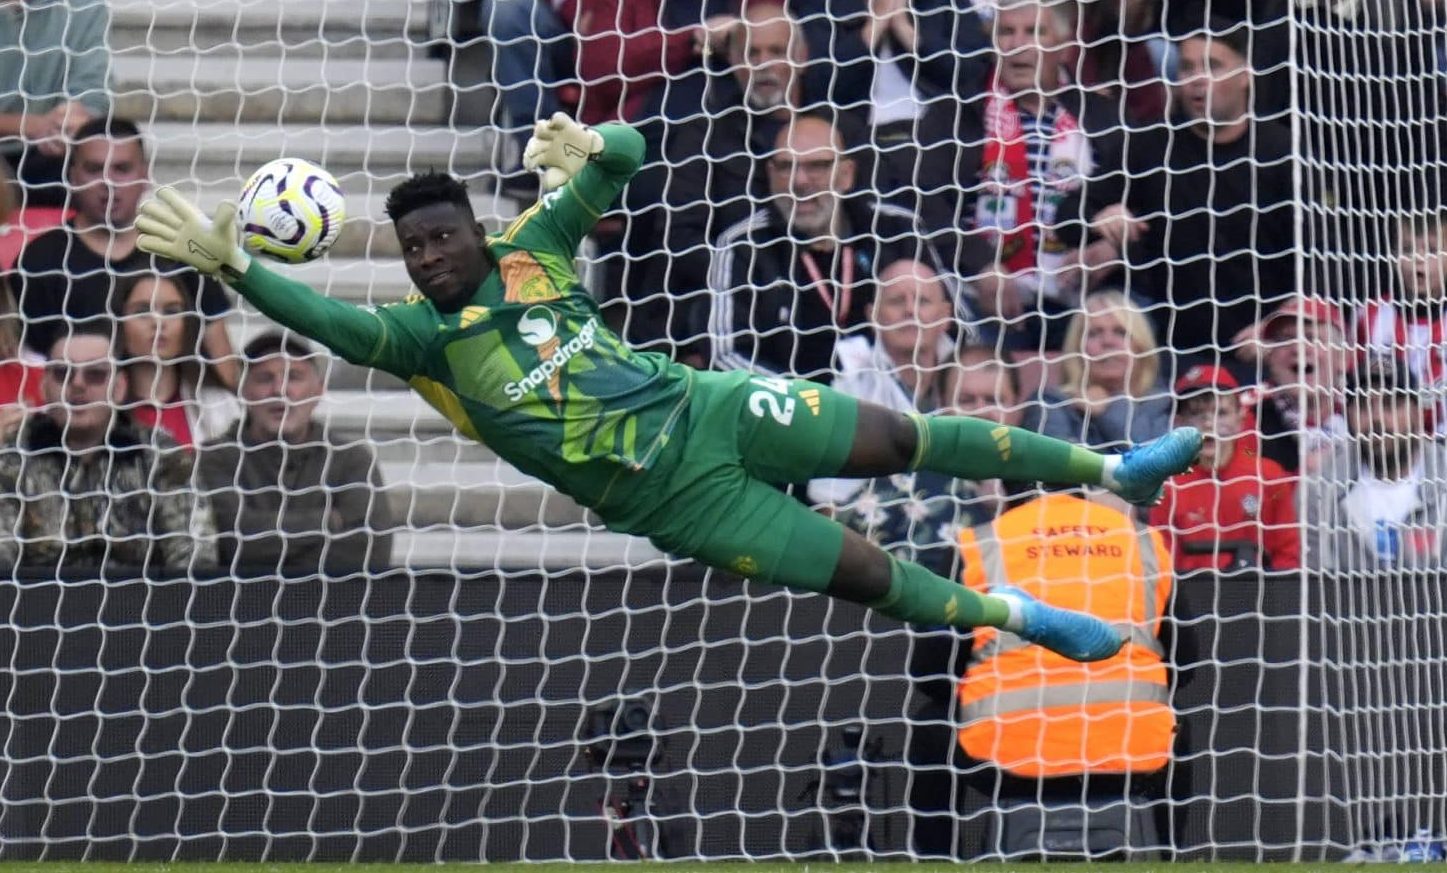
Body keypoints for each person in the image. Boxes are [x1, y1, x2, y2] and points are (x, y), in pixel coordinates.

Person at [135, 111, 1204, 663]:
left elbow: (627, 158)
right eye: (413, 249)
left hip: (709, 406)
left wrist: (590, 140)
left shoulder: (532, 250)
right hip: (678, 500)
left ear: (473, 232)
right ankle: (1024, 617)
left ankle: (1115, 466)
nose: (428, 257)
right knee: (868, 572)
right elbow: (326, 323)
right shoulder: (421, 340)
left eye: (441, 237)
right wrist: (239, 269)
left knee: (903, 436)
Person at [953, 485, 1176, 859]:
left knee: (929, 720)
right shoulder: (1141, 539)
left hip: (1004, 750)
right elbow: (1187, 657)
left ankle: (935, 857)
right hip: (1131, 745)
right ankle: (1170, 856)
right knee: (1176, 721)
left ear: (1007, 486)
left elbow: (929, 667)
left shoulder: (980, 542)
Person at [1056, 18, 1295, 359]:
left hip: (1263, 347)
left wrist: (1278, 327)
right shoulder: (1152, 144)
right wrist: (1101, 219)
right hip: (1169, 348)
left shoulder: (1283, 151)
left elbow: (1322, 255)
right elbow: (1067, 216)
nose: (1197, 79)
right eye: (1187, 68)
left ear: (1245, 75)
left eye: (1212, 66)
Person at [707, 111, 955, 381]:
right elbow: (726, 355)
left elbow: (957, 326)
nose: (799, 181)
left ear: (846, 174)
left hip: (900, 399)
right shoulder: (744, 245)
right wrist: (811, 400)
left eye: (817, 166)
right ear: (770, 173)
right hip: (795, 402)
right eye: (786, 166)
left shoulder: (897, 229)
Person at [632, 0, 810, 354]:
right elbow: (679, 238)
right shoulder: (704, 135)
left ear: (802, 58)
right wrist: (754, 278)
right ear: (732, 61)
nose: (762, 65)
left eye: (776, 51)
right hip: (716, 310)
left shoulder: (832, 130)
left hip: (818, 295)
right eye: (751, 53)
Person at [9, 117, 237, 384]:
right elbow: (25, 367)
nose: (108, 182)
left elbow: (221, 357)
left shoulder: (182, 252)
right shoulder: (39, 262)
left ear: (145, 174)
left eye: (122, 169)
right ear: (72, 177)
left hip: (171, 404)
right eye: (94, 169)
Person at [968, 0, 1126, 356]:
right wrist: (980, 266)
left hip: (1086, 301)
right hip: (986, 299)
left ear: (1064, 47)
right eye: (1006, 32)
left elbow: (1146, 202)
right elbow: (932, 206)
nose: (1017, 45)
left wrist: (1113, 249)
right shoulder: (962, 115)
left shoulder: (1105, 118)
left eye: (1034, 32)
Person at [0, 324, 216, 573]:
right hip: (39, 596)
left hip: (143, 595)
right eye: (63, 373)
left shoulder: (160, 454)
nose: (77, 384)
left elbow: (194, 557)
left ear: (119, 388)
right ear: (44, 386)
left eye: (95, 374)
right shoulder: (13, 454)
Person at [198, 332, 394, 574]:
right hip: (239, 598)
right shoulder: (215, 458)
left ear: (318, 390)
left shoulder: (352, 459)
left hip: (332, 598)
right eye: (264, 378)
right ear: (243, 392)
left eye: (294, 377)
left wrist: (268, 551)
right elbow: (228, 543)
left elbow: (371, 551)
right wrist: (328, 521)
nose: (279, 390)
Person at [1150, 365, 1300, 573]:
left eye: (1221, 413)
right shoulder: (1167, 484)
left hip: (1259, 590)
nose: (1208, 424)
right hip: (1190, 591)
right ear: (1178, 424)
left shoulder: (1268, 476)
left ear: (1240, 419)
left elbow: (1287, 552)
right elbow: (1162, 558)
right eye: (1195, 414)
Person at [1303, 357, 1447, 571]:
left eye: (1391, 404)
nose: (1377, 418)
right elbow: (1315, 582)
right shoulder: (1319, 492)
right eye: (1363, 406)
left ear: (1417, 413)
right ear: (1348, 416)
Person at [0, 0, 111, 207]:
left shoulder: (83, 6)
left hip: (50, 155)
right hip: (23, 144)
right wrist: (31, 126)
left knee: (105, 169)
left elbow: (93, 92)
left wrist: (74, 117)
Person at [111, 272, 240, 448]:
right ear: (119, 322)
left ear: (187, 324)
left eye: (171, 311)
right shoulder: (99, 405)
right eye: (142, 311)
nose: (158, 322)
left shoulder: (220, 405)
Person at [1035, 290, 1171, 450]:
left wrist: (1110, 409)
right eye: (1094, 333)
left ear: (1141, 345)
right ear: (1077, 348)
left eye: (1120, 332)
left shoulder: (1164, 407)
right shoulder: (1051, 404)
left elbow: (1155, 459)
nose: (1107, 341)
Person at [1351, 212, 1447, 430]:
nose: (1418, 259)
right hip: (1388, 438)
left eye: (1432, 250)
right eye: (1407, 249)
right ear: (1394, 256)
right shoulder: (1370, 315)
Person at [1244, 297, 1351, 475]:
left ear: (1343, 358)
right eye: (1285, 339)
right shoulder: (1245, 414)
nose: (1298, 349)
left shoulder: (1367, 409)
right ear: (1270, 357)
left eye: (1311, 338)